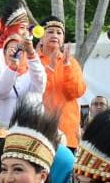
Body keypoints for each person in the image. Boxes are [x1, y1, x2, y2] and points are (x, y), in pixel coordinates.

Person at [0, 9, 45, 126]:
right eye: (21, 28)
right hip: (4, 124)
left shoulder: (33, 59)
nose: (25, 32)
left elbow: (41, 84)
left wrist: (31, 54)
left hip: (32, 124)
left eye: (27, 28)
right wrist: (12, 67)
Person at [37, 17, 86, 148]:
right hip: (39, 131)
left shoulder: (72, 63)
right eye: (50, 31)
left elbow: (76, 92)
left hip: (67, 133)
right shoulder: (33, 61)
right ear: (41, 37)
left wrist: (67, 66)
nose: (55, 35)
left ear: (63, 39)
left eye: (59, 33)